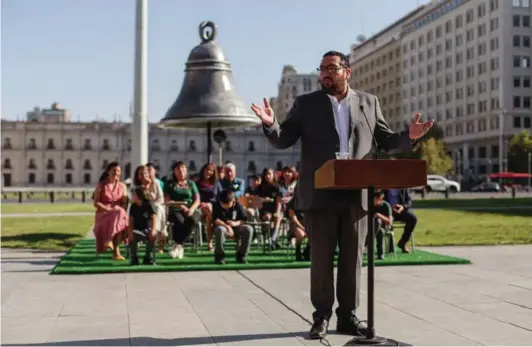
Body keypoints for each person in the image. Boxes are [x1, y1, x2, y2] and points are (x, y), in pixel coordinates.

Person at [250, 51, 433, 339]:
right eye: (322, 68)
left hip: (356, 193)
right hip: (321, 193)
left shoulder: (368, 103)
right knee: (321, 259)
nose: (325, 73)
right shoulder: (306, 104)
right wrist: (271, 123)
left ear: (347, 72)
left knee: (352, 259)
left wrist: (409, 136)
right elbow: (284, 138)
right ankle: (320, 316)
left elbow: (385, 141)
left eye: (331, 68)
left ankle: (348, 316)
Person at [164, 161, 201, 259]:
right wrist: (180, 206)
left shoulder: (191, 183)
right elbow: (167, 200)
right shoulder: (170, 184)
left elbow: (197, 200)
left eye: (183, 168)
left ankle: (178, 245)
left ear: (186, 171)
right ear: (174, 171)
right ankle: (179, 246)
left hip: (192, 209)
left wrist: (192, 209)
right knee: (180, 222)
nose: (181, 171)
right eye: (178, 169)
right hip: (176, 209)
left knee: (192, 220)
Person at [93, 162, 129, 260]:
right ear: (108, 171)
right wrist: (108, 209)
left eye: (118, 171)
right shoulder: (101, 185)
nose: (116, 173)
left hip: (117, 213)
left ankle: (110, 241)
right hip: (103, 212)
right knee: (120, 214)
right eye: (114, 170)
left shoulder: (123, 186)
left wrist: (120, 206)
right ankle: (116, 253)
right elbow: (96, 203)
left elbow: (124, 204)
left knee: (120, 213)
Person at [211, 189, 254, 264]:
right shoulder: (216, 204)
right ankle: (219, 256)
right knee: (220, 230)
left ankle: (242, 255)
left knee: (249, 229)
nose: (226, 207)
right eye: (223, 204)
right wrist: (228, 227)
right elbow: (216, 220)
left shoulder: (238, 204)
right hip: (222, 226)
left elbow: (243, 219)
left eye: (228, 204)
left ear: (233, 201)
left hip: (236, 227)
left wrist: (235, 223)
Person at [128, 185, 156, 266]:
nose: (132, 196)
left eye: (133, 194)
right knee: (132, 234)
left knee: (153, 235)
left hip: (147, 229)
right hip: (136, 230)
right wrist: (130, 232)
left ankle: (147, 257)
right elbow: (131, 221)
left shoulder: (149, 204)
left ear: (139, 196)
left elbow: (154, 218)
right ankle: (134, 257)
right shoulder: (133, 206)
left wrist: (153, 231)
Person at [384, 188, 417, 253]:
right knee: (385, 220)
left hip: (401, 210)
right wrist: (389, 207)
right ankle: (390, 246)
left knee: (413, 218)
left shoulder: (404, 186)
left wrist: (403, 207)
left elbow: (409, 201)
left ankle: (403, 242)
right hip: (387, 210)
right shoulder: (384, 185)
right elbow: (380, 199)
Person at [373, 190, 393, 260]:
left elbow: (390, 222)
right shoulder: (368, 205)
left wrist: (379, 215)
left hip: (384, 227)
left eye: (375, 199)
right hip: (370, 226)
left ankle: (380, 254)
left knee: (380, 231)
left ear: (380, 199)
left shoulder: (386, 205)